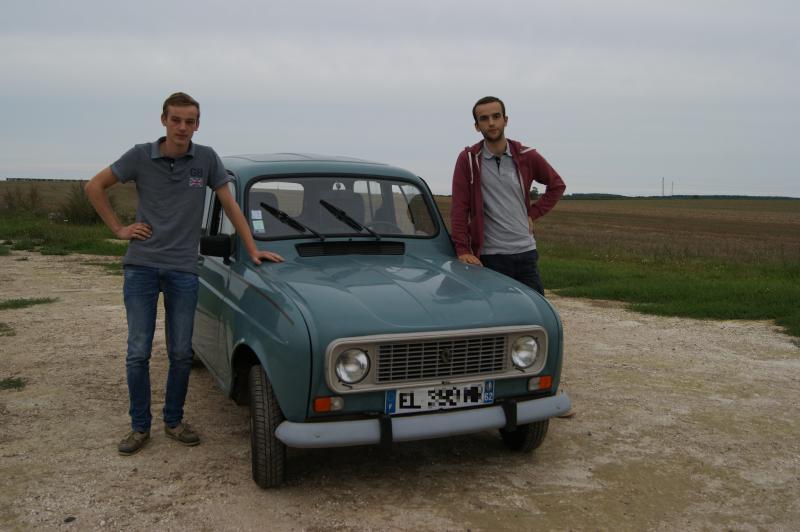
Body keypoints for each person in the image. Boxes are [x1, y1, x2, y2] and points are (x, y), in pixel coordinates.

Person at [85, 92, 284, 456]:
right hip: (141, 267)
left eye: (189, 121)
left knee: (180, 352)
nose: (182, 127)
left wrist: (253, 248)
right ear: (163, 120)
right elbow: (93, 186)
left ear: (197, 124)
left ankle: (174, 421)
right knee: (137, 351)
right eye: (176, 119)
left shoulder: (206, 159)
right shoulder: (140, 156)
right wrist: (119, 228)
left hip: (182, 269)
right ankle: (139, 427)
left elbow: (230, 204)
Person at [450, 96, 566, 296]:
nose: (491, 123)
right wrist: (463, 250)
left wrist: (533, 214)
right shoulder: (468, 160)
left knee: (535, 311)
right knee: (499, 315)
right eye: (484, 119)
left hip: (526, 252)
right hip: (491, 256)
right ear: (477, 126)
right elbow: (459, 208)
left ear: (506, 120)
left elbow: (556, 185)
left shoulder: (527, 156)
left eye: (496, 116)